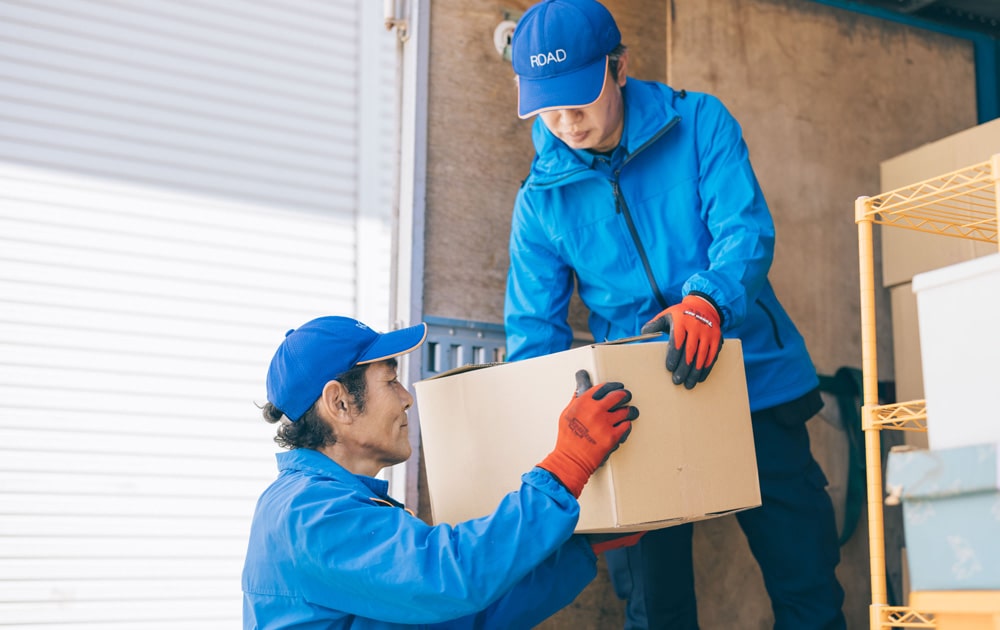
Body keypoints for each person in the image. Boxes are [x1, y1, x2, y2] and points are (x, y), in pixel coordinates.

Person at [503, 1, 846, 628]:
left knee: (808, 588)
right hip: (638, 413)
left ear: (620, 67)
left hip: (755, 388)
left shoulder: (701, 123)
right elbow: (534, 336)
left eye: (578, 97)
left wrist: (708, 301)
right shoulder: (539, 203)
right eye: (546, 105)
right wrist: (567, 447)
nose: (565, 120)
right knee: (656, 611)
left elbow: (742, 230)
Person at [241, 315, 642, 629]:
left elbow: (458, 619)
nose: (406, 398)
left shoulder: (337, 503)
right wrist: (568, 465)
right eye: (391, 381)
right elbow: (448, 575)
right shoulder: (308, 515)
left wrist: (575, 551)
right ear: (340, 403)